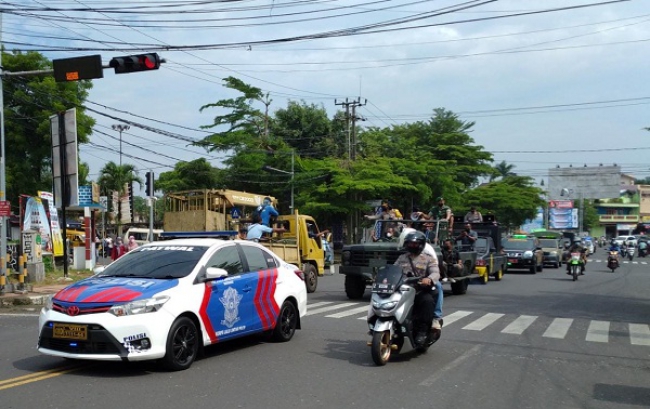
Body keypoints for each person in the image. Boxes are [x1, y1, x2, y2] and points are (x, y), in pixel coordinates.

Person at [393, 230, 441, 344]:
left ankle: (422, 332)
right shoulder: (401, 258)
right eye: (409, 243)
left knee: (427, 301)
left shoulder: (429, 258)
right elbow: (393, 270)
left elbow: (435, 272)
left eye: (414, 244)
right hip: (402, 290)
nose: (411, 246)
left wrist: (428, 279)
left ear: (421, 244)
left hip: (419, 290)